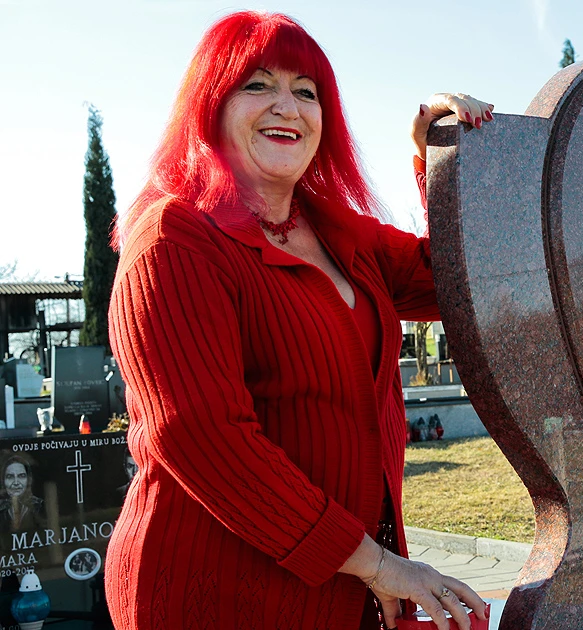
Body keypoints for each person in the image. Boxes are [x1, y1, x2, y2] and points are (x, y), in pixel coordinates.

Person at [107, 12, 492, 630]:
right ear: (211, 105)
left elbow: (450, 282)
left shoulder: (340, 232)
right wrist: (377, 564)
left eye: (306, 92)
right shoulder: (173, 241)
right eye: (257, 85)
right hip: (215, 594)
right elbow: (202, 437)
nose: (287, 106)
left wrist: (439, 161)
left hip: (345, 591)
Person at [0, 454, 44, 532]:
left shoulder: (40, 507)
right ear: (3, 481)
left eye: (21, 476)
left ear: (29, 480)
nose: (16, 482)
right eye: (10, 477)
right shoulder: (2, 510)